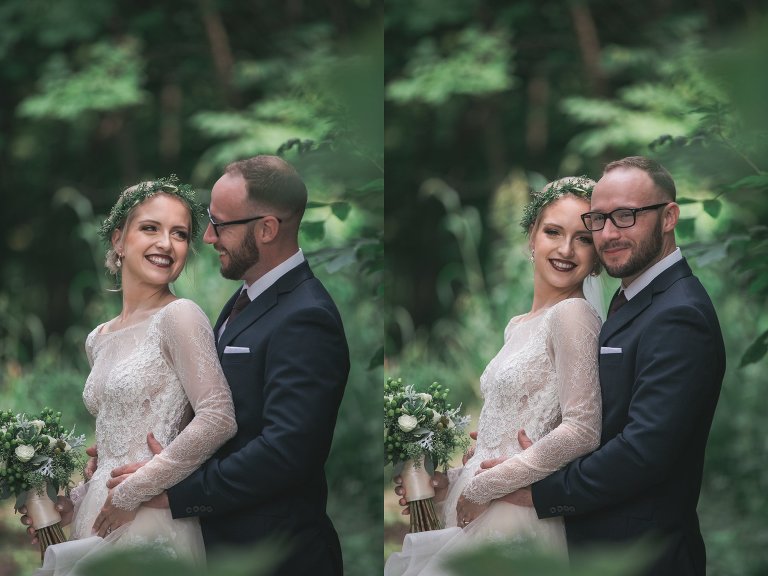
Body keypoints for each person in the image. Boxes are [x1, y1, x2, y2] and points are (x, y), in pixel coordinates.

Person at [104, 156, 350, 575]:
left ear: (267, 228)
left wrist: (177, 493)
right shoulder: (245, 299)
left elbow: (285, 453)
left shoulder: (307, 316)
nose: (209, 236)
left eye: (220, 224)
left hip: (276, 556)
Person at [487, 156, 725, 576]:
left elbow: (642, 452)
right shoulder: (632, 296)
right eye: (600, 219)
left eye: (626, 216)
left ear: (669, 216)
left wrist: (541, 493)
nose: (609, 234)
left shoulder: (680, 313)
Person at [385, 177, 604, 576]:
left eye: (584, 239)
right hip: (481, 505)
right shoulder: (519, 324)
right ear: (531, 238)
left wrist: (485, 486)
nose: (566, 249)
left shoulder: (574, 315)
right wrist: (450, 481)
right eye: (553, 231)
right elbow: (500, 434)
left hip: (513, 515)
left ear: (598, 254)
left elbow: (582, 429)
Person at [26, 176, 238, 574]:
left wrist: (134, 491)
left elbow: (218, 417)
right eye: (150, 228)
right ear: (119, 241)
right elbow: (112, 449)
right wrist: (73, 498)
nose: (166, 244)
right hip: (101, 511)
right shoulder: (98, 338)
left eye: (179, 234)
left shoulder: (181, 316)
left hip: (149, 516)